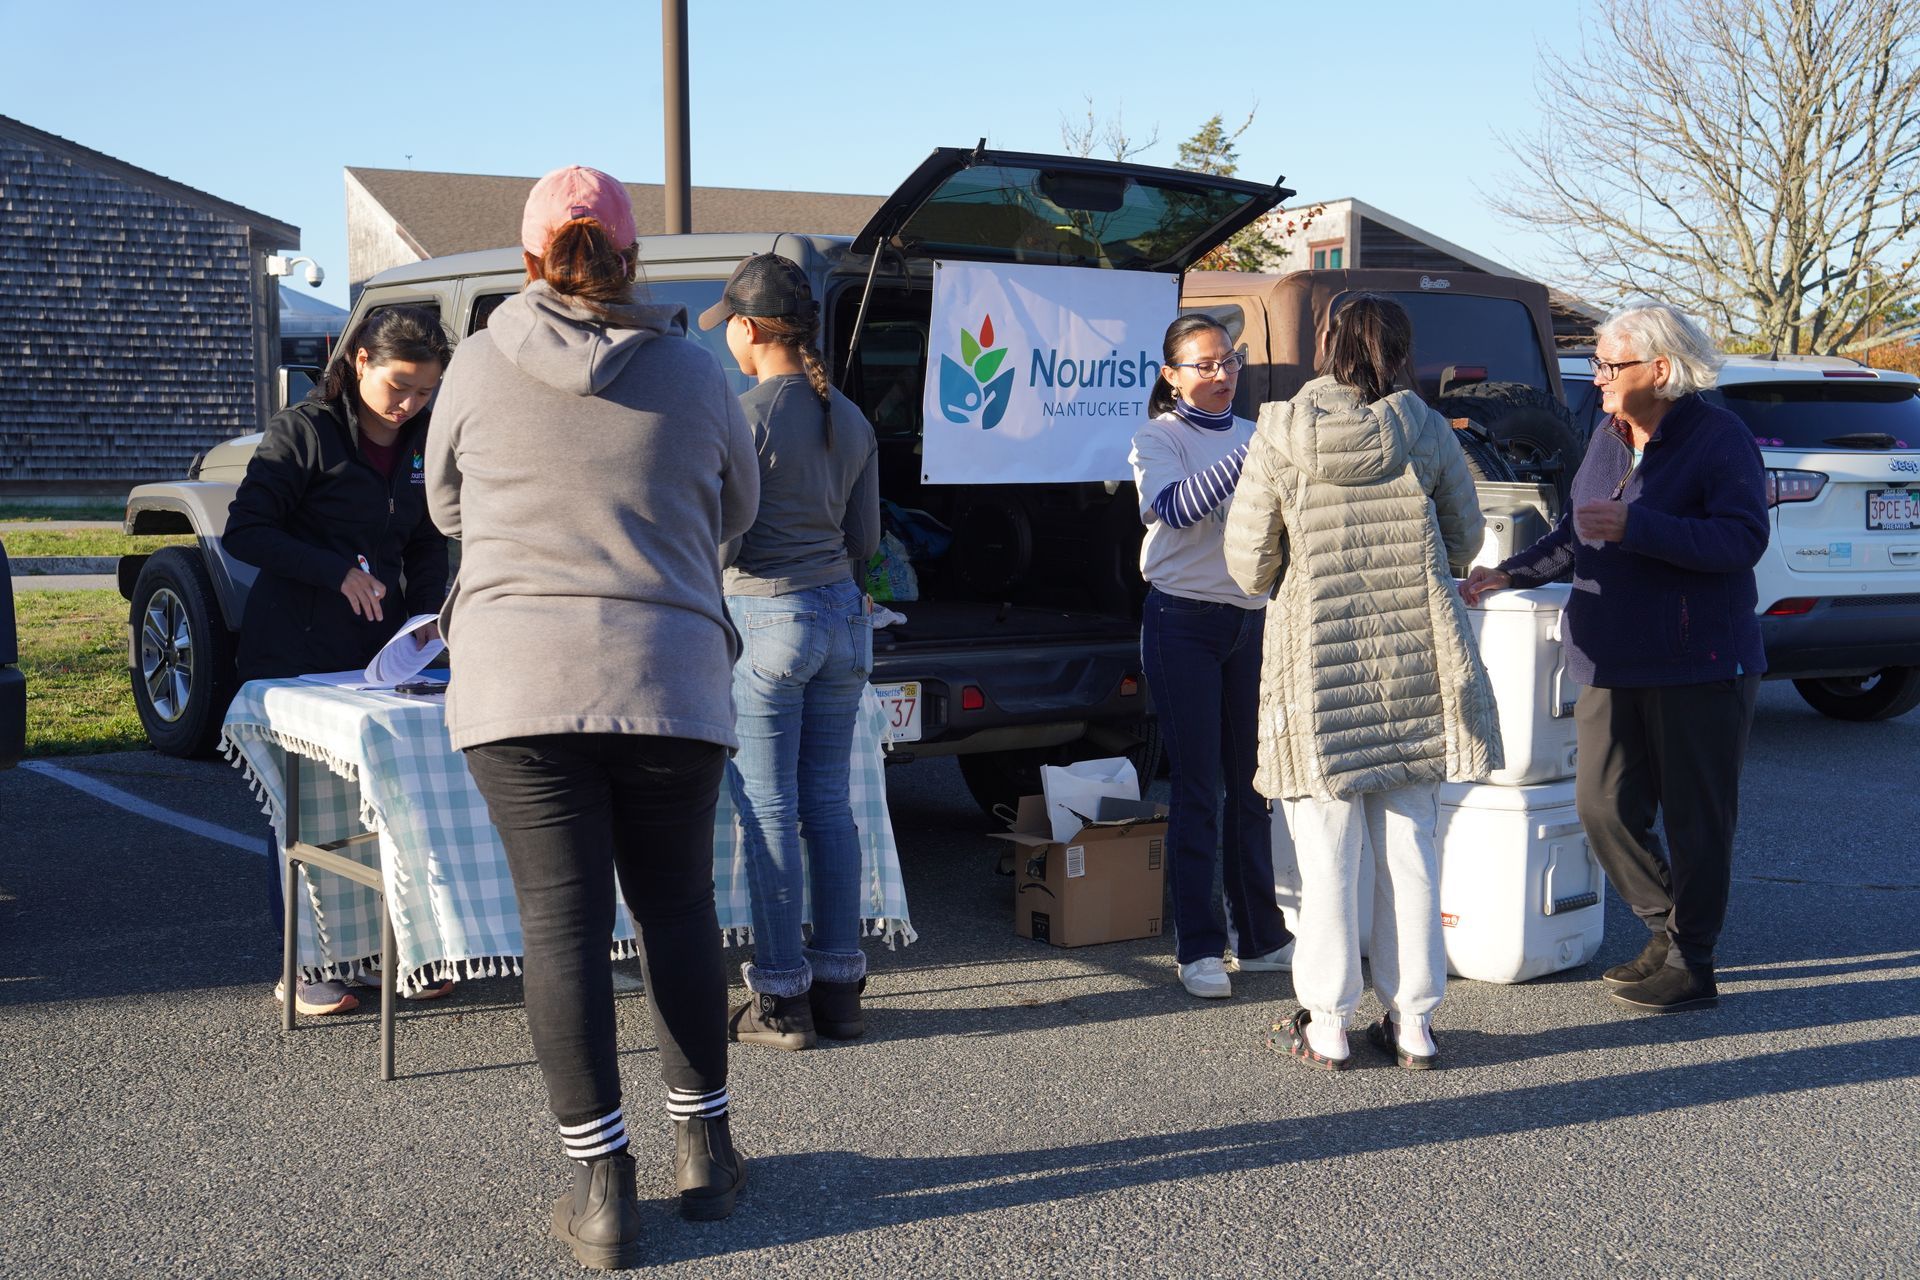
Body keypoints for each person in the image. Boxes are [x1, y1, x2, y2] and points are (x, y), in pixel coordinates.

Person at [425, 165, 759, 1270]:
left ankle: (601, 1184)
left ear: (530, 259)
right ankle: (705, 1147)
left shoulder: (475, 363)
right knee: (677, 910)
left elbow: (444, 503)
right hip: (668, 676)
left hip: (518, 684)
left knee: (561, 926)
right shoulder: (698, 372)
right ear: (632, 257)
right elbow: (739, 509)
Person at [1224, 294, 1501, 1071]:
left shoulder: (1277, 433)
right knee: (1412, 847)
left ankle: (1329, 1023)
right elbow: (1465, 540)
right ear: (1403, 352)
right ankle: (1413, 1023)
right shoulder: (1426, 430)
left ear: (1324, 346)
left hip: (1317, 667)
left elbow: (1249, 565)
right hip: (1415, 657)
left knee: (1328, 853)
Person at [1464, 303, 1765, 1014]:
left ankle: (1693, 961)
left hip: (1700, 660)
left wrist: (1642, 526)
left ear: (1660, 369)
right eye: (1597, 364)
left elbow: (1740, 541)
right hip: (1611, 654)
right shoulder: (1607, 434)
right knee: (1601, 806)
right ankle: (1670, 931)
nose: (1597, 378)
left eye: (1609, 364)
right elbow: (1579, 530)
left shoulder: (1719, 438)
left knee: (1698, 821)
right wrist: (1514, 572)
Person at [224, 304, 455, 1017]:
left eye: (425, 390)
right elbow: (246, 532)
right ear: (359, 363)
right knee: (299, 811)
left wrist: (431, 619)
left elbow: (422, 541)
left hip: (376, 653)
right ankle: (301, 967)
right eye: (399, 387)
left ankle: (381, 952)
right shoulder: (304, 431)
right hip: (292, 650)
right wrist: (334, 571)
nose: (410, 403)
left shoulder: (422, 439)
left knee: (377, 803)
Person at [695, 255, 881, 1051]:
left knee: (768, 814)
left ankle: (780, 1002)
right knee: (829, 809)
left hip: (768, 618)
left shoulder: (748, 414)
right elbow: (866, 541)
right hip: (844, 619)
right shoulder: (850, 414)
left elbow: (725, 541)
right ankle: (840, 991)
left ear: (746, 328)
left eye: (728, 330)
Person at [1129, 315, 1294, 1000]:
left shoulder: (1257, 434)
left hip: (1249, 621)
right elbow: (1172, 508)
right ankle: (1199, 947)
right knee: (1198, 790)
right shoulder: (1155, 438)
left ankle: (1259, 937)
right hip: (1181, 622)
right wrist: (1252, 458)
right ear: (1171, 375)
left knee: (1253, 789)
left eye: (1229, 361)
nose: (1222, 374)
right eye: (1204, 364)